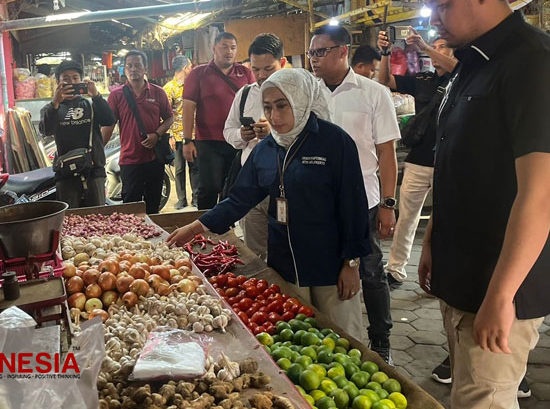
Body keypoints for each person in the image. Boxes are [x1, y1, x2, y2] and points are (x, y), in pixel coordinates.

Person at [415, 0, 550, 408]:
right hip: (463, 274)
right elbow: (456, 166)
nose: (434, 19)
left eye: (442, 4)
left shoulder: (532, 62)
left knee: (484, 401)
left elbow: (540, 194)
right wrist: (431, 241)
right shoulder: (469, 64)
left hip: (500, 286)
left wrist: (502, 295)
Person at [168, 68, 370, 339]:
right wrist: (195, 228)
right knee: (301, 336)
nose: (274, 117)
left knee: (344, 338)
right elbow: (239, 198)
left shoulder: (334, 142)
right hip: (285, 260)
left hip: (329, 263)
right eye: (267, 108)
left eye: (282, 106)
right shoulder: (266, 148)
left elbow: (353, 204)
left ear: (300, 100)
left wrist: (352, 263)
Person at [310, 24, 400, 364]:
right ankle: (334, 333)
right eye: (311, 53)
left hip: (363, 199)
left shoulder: (373, 93)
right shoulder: (309, 93)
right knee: (327, 269)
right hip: (319, 202)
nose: (313, 59)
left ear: (342, 51)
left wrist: (388, 205)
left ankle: (381, 341)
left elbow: (387, 154)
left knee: (371, 270)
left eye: (320, 52)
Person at [377, 30, 456, 290]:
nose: (437, 52)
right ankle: (396, 270)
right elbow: (385, 80)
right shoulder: (423, 79)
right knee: (407, 217)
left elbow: (457, 66)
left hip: (450, 163)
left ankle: (443, 273)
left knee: (447, 221)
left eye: (443, 46)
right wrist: (385, 54)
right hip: (419, 160)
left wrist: (423, 45)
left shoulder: (462, 76)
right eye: (435, 47)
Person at [222, 33, 284, 260]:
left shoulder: (297, 94)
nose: (261, 75)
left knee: (285, 251)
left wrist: (273, 132)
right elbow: (228, 131)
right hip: (252, 184)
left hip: (285, 186)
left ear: (282, 63)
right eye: (255, 69)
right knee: (254, 252)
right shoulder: (245, 94)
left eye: (268, 68)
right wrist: (242, 134)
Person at [182, 32, 255, 209]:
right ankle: (203, 227)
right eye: (224, 47)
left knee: (232, 188)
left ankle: (226, 228)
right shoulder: (198, 73)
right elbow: (188, 107)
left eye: (233, 47)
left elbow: (255, 101)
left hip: (237, 140)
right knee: (209, 187)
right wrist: (187, 141)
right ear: (214, 48)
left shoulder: (245, 73)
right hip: (208, 142)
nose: (229, 51)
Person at [103, 50, 174, 214]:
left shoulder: (158, 92)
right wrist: (96, 152)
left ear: (145, 68)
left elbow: (169, 118)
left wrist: (156, 135)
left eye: (137, 65)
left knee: (153, 205)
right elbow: (108, 125)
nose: (133, 69)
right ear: (125, 69)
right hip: (129, 160)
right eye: (129, 66)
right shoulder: (116, 95)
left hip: (154, 159)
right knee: (131, 208)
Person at [39, 60, 115, 208]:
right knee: (70, 220)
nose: (71, 82)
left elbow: (109, 120)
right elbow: (46, 130)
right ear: (58, 83)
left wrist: (96, 95)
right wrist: (55, 103)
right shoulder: (51, 108)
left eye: (75, 78)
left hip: (94, 171)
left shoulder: (91, 104)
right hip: (65, 173)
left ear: (81, 80)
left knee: (97, 218)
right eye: (65, 79)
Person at [163, 55, 199, 209]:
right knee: (179, 169)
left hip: (193, 134)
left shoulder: (193, 86)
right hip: (176, 136)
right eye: (190, 67)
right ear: (185, 68)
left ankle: (196, 198)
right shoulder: (168, 88)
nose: (191, 69)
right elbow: (166, 114)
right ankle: (181, 199)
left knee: (195, 167)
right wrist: (170, 135)